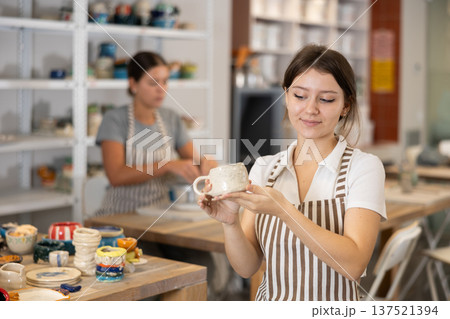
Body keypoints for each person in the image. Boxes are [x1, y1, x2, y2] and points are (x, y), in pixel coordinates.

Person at [198, 44, 386, 301]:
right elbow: (246, 267)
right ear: (285, 96)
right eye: (299, 96)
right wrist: (230, 224)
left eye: (327, 99)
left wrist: (284, 210)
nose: (310, 109)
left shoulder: (363, 168)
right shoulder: (265, 168)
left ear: (345, 105)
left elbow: (353, 265)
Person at [96, 51, 216, 216]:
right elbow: (116, 176)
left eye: (165, 81)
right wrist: (166, 165)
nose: (161, 89)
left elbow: (194, 161)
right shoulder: (114, 119)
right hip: (120, 215)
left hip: (160, 213)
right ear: (133, 84)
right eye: (153, 83)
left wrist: (205, 162)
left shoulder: (171, 118)